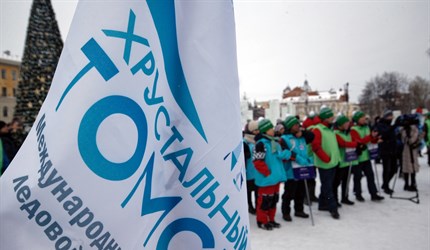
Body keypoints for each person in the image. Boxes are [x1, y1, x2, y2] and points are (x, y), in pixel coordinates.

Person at [253, 119, 292, 230]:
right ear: (265, 130)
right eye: (270, 128)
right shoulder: (260, 144)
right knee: (265, 201)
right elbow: (257, 161)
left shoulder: (275, 142)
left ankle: (271, 219)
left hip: (275, 178)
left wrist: (284, 155)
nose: (273, 130)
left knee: (273, 200)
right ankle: (262, 221)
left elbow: (278, 159)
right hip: (267, 179)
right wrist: (268, 173)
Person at [311, 107, 341, 219]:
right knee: (328, 187)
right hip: (325, 164)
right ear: (325, 118)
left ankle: (322, 204)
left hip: (333, 162)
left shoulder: (330, 129)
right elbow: (315, 147)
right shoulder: (318, 129)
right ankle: (332, 208)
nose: (333, 118)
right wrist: (326, 158)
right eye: (330, 116)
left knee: (327, 185)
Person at [279, 116, 310, 222]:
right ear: (290, 126)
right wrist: (297, 158)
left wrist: (304, 133)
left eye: (298, 124)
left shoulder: (300, 136)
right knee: (289, 193)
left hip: (301, 169)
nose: (298, 126)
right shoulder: (284, 138)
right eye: (295, 124)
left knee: (300, 191)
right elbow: (284, 151)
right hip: (290, 170)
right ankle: (286, 212)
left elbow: (312, 136)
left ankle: (299, 210)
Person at [350, 111, 384, 202]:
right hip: (357, 157)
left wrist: (375, 138)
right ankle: (358, 193)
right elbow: (359, 141)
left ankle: (374, 194)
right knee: (358, 176)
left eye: (364, 117)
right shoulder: (353, 129)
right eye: (362, 118)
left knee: (370, 175)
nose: (364, 119)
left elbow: (370, 141)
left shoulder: (367, 127)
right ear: (357, 119)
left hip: (366, 156)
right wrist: (370, 136)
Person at [334, 115, 361, 206]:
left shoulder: (348, 133)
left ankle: (345, 197)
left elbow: (356, 141)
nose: (348, 124)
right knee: (337, 182)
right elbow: (342, 143)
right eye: (345, 123)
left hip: (349, 160)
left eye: (348, 123)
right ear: (341, 124)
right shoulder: (336, 133)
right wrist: (354, 144)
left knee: (346, 181)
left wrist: (355, 144)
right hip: (340, 161)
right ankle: (335, 199)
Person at [375, 110, 397, 194]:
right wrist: (393, 127)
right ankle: (386, 186)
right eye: (389, 116)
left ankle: (385, 183)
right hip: (385, 150)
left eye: (391, 116)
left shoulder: (390, 125)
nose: (390, 118)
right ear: (385, 117)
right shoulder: (380, 124)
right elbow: (385, 134)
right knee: (386, 169)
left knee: (394, 169)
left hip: (393, 149)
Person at [399, 114, 421, 191]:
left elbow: (413, 139)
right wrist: (406, 136)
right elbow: (404, 139)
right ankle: (406, 184)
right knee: (406, 167)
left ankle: (413, 183)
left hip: (413, 150)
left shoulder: (415, 129)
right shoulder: (403, 129)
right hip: (406, 149)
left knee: (413, 166)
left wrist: (409, 139)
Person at [243, 120, 259, 214]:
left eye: (258, 130)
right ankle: (250, 206)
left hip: (257, 171)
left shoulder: (258, 141)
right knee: (248, 191)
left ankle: (257, 206)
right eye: (255, 130)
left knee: (257, 190)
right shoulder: (245, 142)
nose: (257, 132)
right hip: (248, 171)